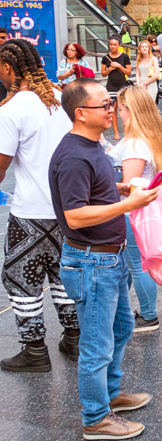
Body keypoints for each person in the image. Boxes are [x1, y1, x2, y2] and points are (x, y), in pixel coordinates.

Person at [51, 77, 159, 439]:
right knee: (97, 345)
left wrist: (120, 188)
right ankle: (95, 418)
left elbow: (94, 189)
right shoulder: (74, 156)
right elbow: (75, 216)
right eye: (103, 105)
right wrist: (127, 204)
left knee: (122, 328)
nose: (110, 109)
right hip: (90, 261)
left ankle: (111, 395)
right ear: (81, 114)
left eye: (110, 102)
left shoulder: (92, 146)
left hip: (107, 259)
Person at [0, 39, 79, 373]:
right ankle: (75, 338)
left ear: (7, 68)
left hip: (30, 210)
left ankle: (34, 350)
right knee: (64, 275)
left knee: (20, 277)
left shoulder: (12, 110)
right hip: (68, 208)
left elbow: (1, 165)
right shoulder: (62, 99)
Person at [104, 85, 162, 332]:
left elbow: (127, 184)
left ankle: (148, 315)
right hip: (141, 211)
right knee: (134, 264)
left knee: (136, 265)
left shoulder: (134, 143)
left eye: (120, 109)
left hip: (132, 212)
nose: (116, 114)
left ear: (130, 110)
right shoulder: (144, 137)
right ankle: (140, 312)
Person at [101, 35, 131, 140]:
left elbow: (129, 72)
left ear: (119, 45)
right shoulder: (105, 58)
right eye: (111, 44)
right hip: (111, 86)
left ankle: (127, 130)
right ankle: (116, 132)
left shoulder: (124, 57)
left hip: (123, 85)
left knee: (126, 108)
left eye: (115, 45)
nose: (112, 46)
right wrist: (110, 69)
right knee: (113, 109)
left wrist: (119, 66)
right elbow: (103, 74)